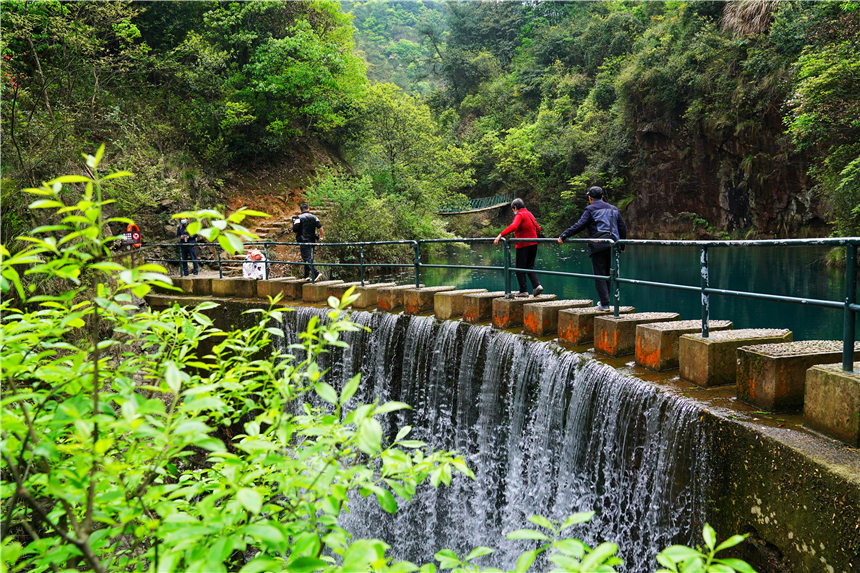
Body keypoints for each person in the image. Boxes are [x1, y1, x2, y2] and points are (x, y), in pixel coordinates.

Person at [557, 186, 627, 310]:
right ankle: (605, 302)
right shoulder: (613, 209)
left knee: (599, 275)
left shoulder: (590, 209)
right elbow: (622, 228)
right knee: (608, 274)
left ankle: (604, 303)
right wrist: (621, 246)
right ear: (602, 197)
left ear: (590, 198)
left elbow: (580, 225)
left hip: (598, 244)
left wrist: (564, 235)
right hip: (612, 245)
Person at [494, 198, 543, 297]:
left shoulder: (520, 214)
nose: (513, 212)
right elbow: (538, 228)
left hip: (523, 245)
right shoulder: (530, 214)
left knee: (519, 269)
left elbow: (514, 226)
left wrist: (500, 235)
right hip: (534, 244)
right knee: (529, 267)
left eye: (513, 210)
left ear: (515, 207)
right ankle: (537, 286)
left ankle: (523, 291)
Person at [293, 202, 324, 280]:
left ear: (300, 210)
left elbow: (295, 229)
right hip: (312, 240)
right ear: (308, 209)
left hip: (303, 241)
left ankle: (316, 273)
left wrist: (296, 235)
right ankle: (306, 276)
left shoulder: (298, 218)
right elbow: (320, 227)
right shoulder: (314, 217)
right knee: (309, 258)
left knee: (306, 258)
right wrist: (321, 237)